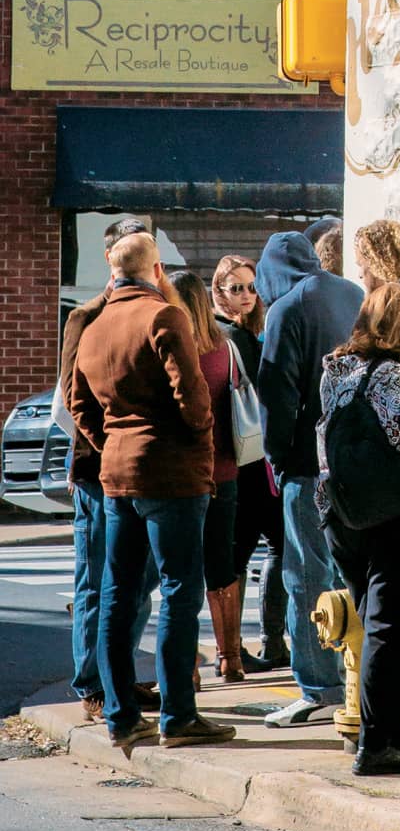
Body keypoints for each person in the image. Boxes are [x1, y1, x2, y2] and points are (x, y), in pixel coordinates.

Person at [67, 231, 236, 750]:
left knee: (117, 592)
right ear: (157, 268)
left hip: (117, 474)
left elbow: (77, 402)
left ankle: (119, 715)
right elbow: (194, 398)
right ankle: (178, 717)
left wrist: (112, 440)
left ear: (112, 270)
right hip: (172, 474)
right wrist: (198, 445)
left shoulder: (94, 324)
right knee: (181, 591)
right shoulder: (165, 316)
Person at [318, 281, 400, 777]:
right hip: (396, 511)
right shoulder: (389, 373)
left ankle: (382, 736)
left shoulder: (338, 369)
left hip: (342, 511)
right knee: (396, 630)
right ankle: (382, 742)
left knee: (377, 625)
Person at [255, 228, 362, 726]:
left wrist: (276, 456)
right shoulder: (351, 293)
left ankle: (317, 686)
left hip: (304, 460)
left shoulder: (286, 309)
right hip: (356, 454)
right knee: (350, 571)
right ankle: (354, 678)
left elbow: (276, 391)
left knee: (303, 574)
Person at [59, 217, 160, 721]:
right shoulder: (87, 315)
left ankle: (118, 675)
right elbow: (70, 400)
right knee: (98, 579)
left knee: (139, 578)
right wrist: (106, 444)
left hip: (140, 470)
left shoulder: (155, 311)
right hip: (95, 470)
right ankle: (92, 685)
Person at [212, 254, 288, 673]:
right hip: (245, 459)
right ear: (219, 291)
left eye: (250, 287)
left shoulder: (251, 330)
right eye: (234, 288)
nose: (245, 295)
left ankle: (258, 645)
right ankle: (239, 650)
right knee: (247, 550)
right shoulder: (228, 336)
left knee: (260, 548)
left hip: (254, 457)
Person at [172, 272, 244, 684]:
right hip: (226, 469)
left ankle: (188, 665)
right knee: (221, 564)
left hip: (183, 474)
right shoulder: (225, 347)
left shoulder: (172, 348)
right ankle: (230, 657)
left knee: (181, 569)